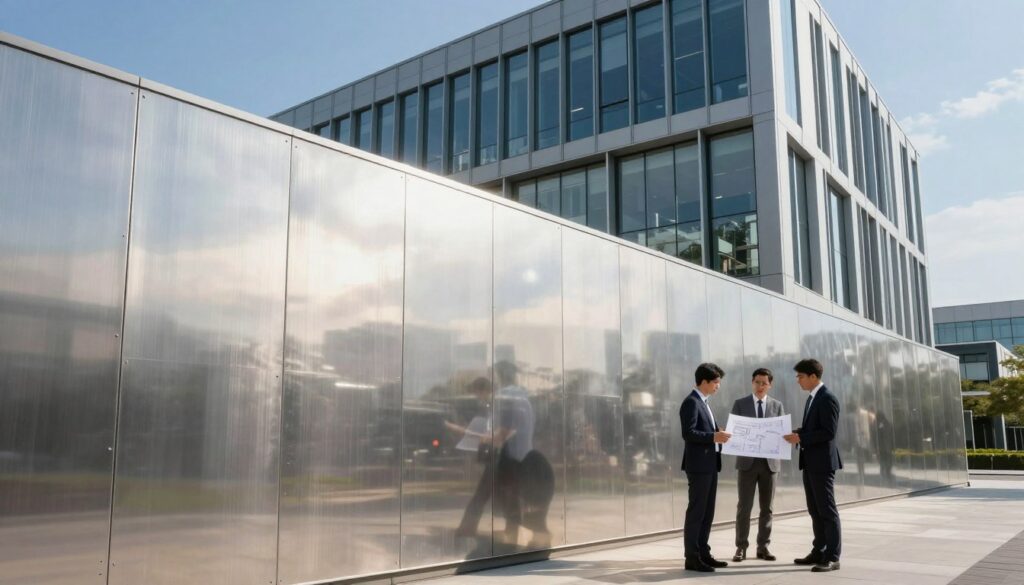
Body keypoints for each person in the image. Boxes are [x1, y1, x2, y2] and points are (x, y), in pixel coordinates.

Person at [783, 358, 843, 572]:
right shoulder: (812, 398)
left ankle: (832, 557)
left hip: (823, 463)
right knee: (814, 509)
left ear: (813, 377)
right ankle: (819, 550)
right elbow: (814, 428)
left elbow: (828, 432)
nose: (798, 381)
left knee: (826, 509)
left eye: (800, 376)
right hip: (810, 462)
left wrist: (801, 439)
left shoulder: (827, 399)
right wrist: (799, 433)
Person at [680, 363, 732, 572]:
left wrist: (717, 432)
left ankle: (703, 552)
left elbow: (704, 430)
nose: (718, 386)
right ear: (704, 381)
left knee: (707, 512)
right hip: (699, 466)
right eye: (716, 382)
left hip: (710, 464)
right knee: (697, 512)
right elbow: (688, 433)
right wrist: (713, 436)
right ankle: (691, 557)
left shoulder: (705, 402)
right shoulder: (691, 402)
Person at [730, 368, 785, 562]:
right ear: (752, 383)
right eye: (757, 382)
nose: (760, 386)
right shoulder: (740, 404)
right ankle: (741, 547)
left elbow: (780, 435)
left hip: (770, 465)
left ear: (770, 385)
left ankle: (763, 547)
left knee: (767, 509)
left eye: (764, 383)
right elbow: (735, 433)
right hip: (747, 464)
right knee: (744, 507)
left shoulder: (777, 406)